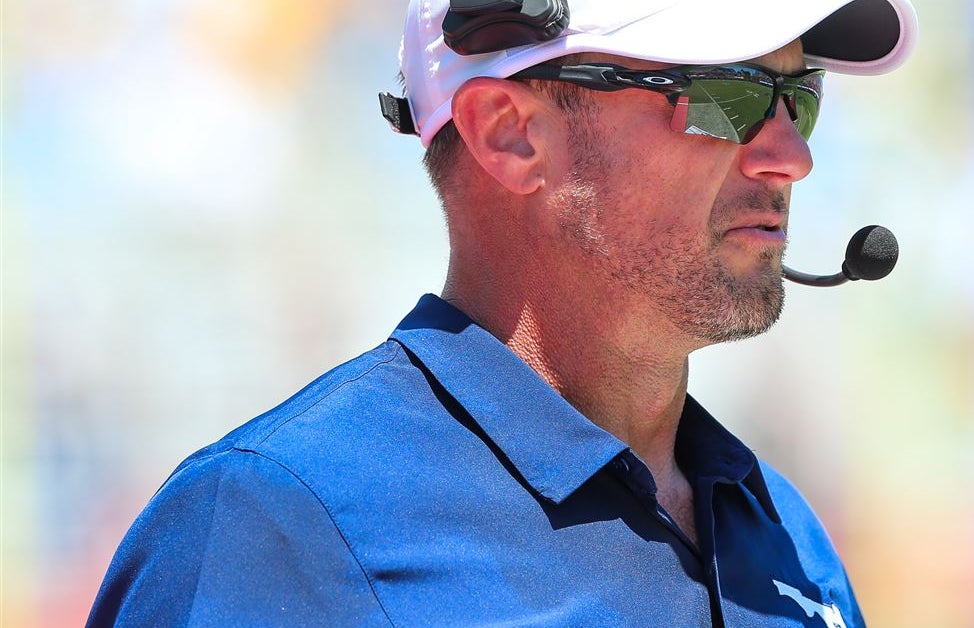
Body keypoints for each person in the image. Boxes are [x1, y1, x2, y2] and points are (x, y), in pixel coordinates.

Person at [88, 0, 917, 625]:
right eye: (727, 96)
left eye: (799, 98)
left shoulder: (786, 532)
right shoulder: (273, 525)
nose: (791, 156)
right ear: (509, 134)